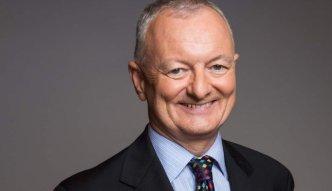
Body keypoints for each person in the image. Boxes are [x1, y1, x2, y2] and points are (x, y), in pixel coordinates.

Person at [54, 0, 294, 190]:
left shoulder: (273, 179)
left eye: (217, 67)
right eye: (177, 70)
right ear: (139, 81)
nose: (200, 90)